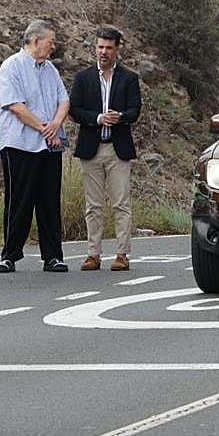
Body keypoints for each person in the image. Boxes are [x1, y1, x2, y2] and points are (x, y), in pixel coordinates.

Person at [0, 19, 70, 274]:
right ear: (35, 40)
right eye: (51, 42)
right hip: (19, 143)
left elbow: (63, 99)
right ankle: (10, 255)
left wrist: (55, 125)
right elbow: (15, 105)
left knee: (49, 200)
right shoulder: (11, 66)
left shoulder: (50, 70)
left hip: (49, 144)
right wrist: (43, 127)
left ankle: (53, 256)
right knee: (19, 199)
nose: (53, 47)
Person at [69, 26, 142, 272]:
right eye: (100, 47)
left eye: (109, 48)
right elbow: (75, 110)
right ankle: (93, 253)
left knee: (121, 203)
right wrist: (97, 118)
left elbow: (135, 109)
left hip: (118, 148)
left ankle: (122, 253)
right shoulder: (83, 77)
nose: (103, 52)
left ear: (117, 50)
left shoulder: (129, 78)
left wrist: (120, 116)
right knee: (93, 205)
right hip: (91, 147)